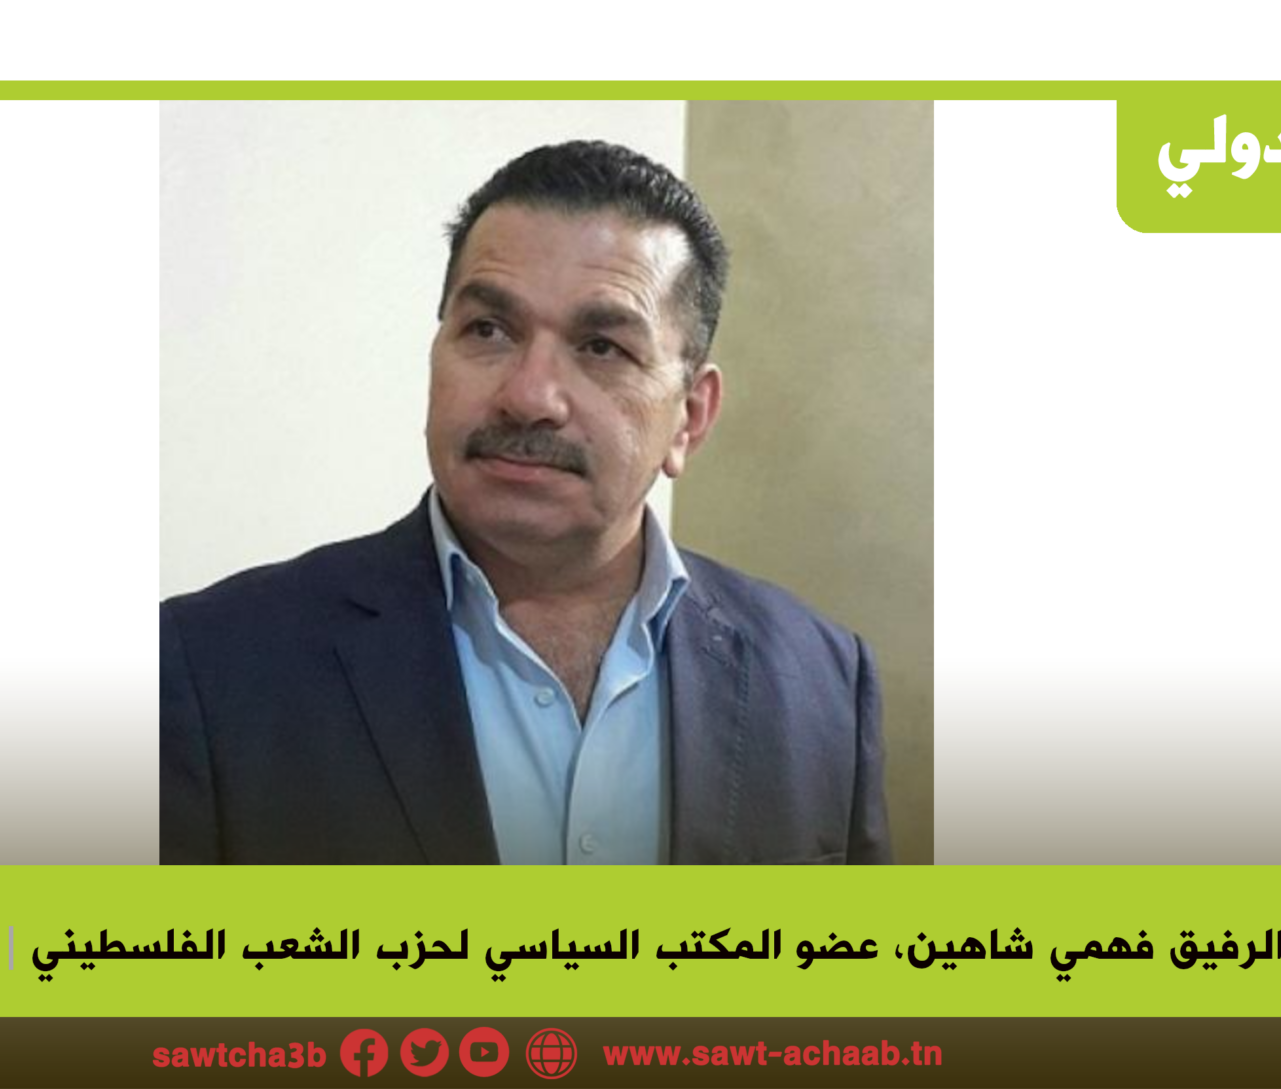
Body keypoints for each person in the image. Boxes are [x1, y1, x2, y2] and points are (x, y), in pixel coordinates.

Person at [161, 140, 889, 864]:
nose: (529, 396)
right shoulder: (209, 668)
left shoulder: (822, 682)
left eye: (601, 346)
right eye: (489, 330)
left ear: (690, 418)